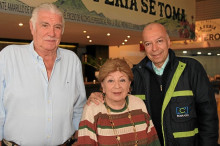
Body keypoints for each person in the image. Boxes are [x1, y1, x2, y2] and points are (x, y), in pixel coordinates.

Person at [87, 23, 219, 146]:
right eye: (148, 43)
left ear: (168, 42)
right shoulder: (135, 75)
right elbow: (118, 98)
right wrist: (101, 96)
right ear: (144, 47)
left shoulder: (191, 69)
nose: (154, 48)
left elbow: (208, 116)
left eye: (159, 41)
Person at [0, 3, 86, 146]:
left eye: (57, 27)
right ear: (32, 27)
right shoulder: (9, 56)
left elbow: (79, 105)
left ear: (62, 31)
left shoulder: (72, 60)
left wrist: (78, 135)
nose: (51, 33)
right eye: (45, 25)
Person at [77, 58, 160, 145]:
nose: (117, 86)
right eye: (110, 80)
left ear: (129, 84)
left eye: (122, 80)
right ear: (103, 85)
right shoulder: (93, 109)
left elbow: (153, 142)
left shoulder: (138, 104)